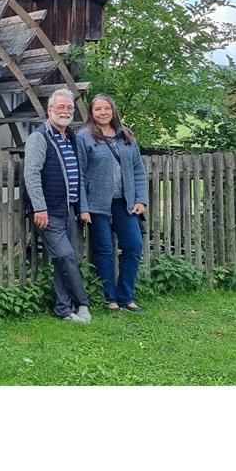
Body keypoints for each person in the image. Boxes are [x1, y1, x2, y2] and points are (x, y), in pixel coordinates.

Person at [23, 88, 91, 323]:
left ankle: (64, 308)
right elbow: (31, 174)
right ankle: (82, 303)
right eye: (60, 107)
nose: (65, 111)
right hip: (49, 212)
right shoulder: (39, 137)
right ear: (50, 110)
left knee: (65, 258)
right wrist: (39, 207)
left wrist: (82, 207)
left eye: (69, 108)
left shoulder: (72, 137)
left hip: (69, 209)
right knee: (65, 256)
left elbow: (78, 174)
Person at [77, 94, 149, 312]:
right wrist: (83, 206)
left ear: (113, 110)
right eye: (98, 109)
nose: (102, 113)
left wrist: (141, 199)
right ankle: (111, 299)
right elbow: (79, 174)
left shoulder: (125, 136)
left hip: (125, 203)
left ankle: (127, 296)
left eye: (106, 108)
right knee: (105, 249)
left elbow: (138, 169)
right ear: (91, 112)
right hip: (96, 204)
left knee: (134, 246)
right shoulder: (84, 137)